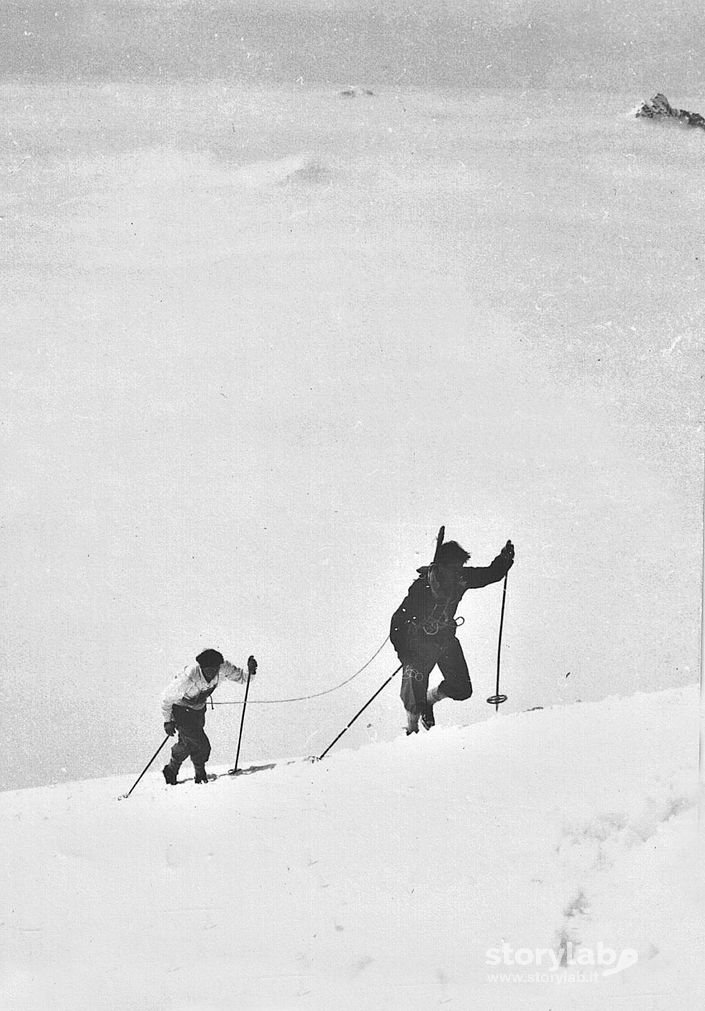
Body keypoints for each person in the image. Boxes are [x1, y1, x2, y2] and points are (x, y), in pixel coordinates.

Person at [390, 539, 514, 734]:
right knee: (413, 692)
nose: (458, 572)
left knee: (462, 689)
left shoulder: (460, 578)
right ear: (442, 565)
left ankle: (429, 701)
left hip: (445, 640)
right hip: (421, 645)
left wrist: (504, 560)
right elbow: (398, 621)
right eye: (454, 567)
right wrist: (405, 653)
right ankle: (411, 732)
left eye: (460, 567)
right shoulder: (421, 588)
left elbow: (489, 574)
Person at [161, 648, 257, 784]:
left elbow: (242, 677)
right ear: (202, 667)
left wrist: (250, 671)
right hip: (181, 710)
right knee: (202, 744)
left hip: (198, 710)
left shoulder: (223, 667)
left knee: (188, 743)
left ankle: (171, 769)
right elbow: (167, 698)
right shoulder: (189, 676)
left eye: (216, 669)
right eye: (210, 670)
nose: (213, 673)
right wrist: (168, 721)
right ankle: (200, 774)